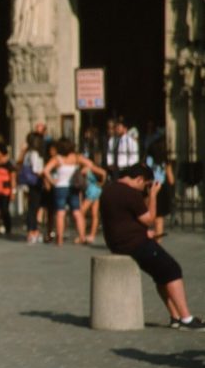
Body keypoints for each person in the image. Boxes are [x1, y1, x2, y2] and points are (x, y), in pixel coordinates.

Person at [99, 164, 205, 331]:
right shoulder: (130, 193)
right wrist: (154, 195)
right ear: (139, 179)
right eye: (146, 185)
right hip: (134, 243)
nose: (145, 189)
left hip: (118, 242)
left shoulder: (108, 190)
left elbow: (123, 219)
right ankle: (186, 318)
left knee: (161, 274)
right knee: (172, 269)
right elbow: (149, 219)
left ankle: (176, 317)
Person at [43, 138, 104, 245]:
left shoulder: (57, 159)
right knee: (77, 212)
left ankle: (60, 239)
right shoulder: (76, 157)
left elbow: (45, 170)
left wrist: (52, 181)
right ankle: (82, 236)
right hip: (73, 187)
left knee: (60, 212)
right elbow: (90, 164)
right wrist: (83, 169)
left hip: (60, 187)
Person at [18, 132, 45, 244]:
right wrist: (44, 174)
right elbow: (36, 169)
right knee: (34, 207)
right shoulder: (33, 153)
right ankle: (32, 231)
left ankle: (32, 230)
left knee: (32, 207)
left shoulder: (28, 153)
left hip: (30, 182)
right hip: (35, 182)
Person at [145, 139, 175, 238]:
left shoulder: (148, 159)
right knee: (159, 218)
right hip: (161, 188)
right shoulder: (165, 161)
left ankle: (147, 239)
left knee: (147, 215)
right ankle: (158, 242)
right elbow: (171, 180)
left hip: (150, 187)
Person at [78, 155, 107, 244]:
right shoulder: (84, 168)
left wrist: (101, 183)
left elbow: (103, 173)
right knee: (95, 214)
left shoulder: (90, 167)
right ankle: (92, 235)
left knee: (81, 212)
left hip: (93, 190)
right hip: (94, 190)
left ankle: (82, 235)